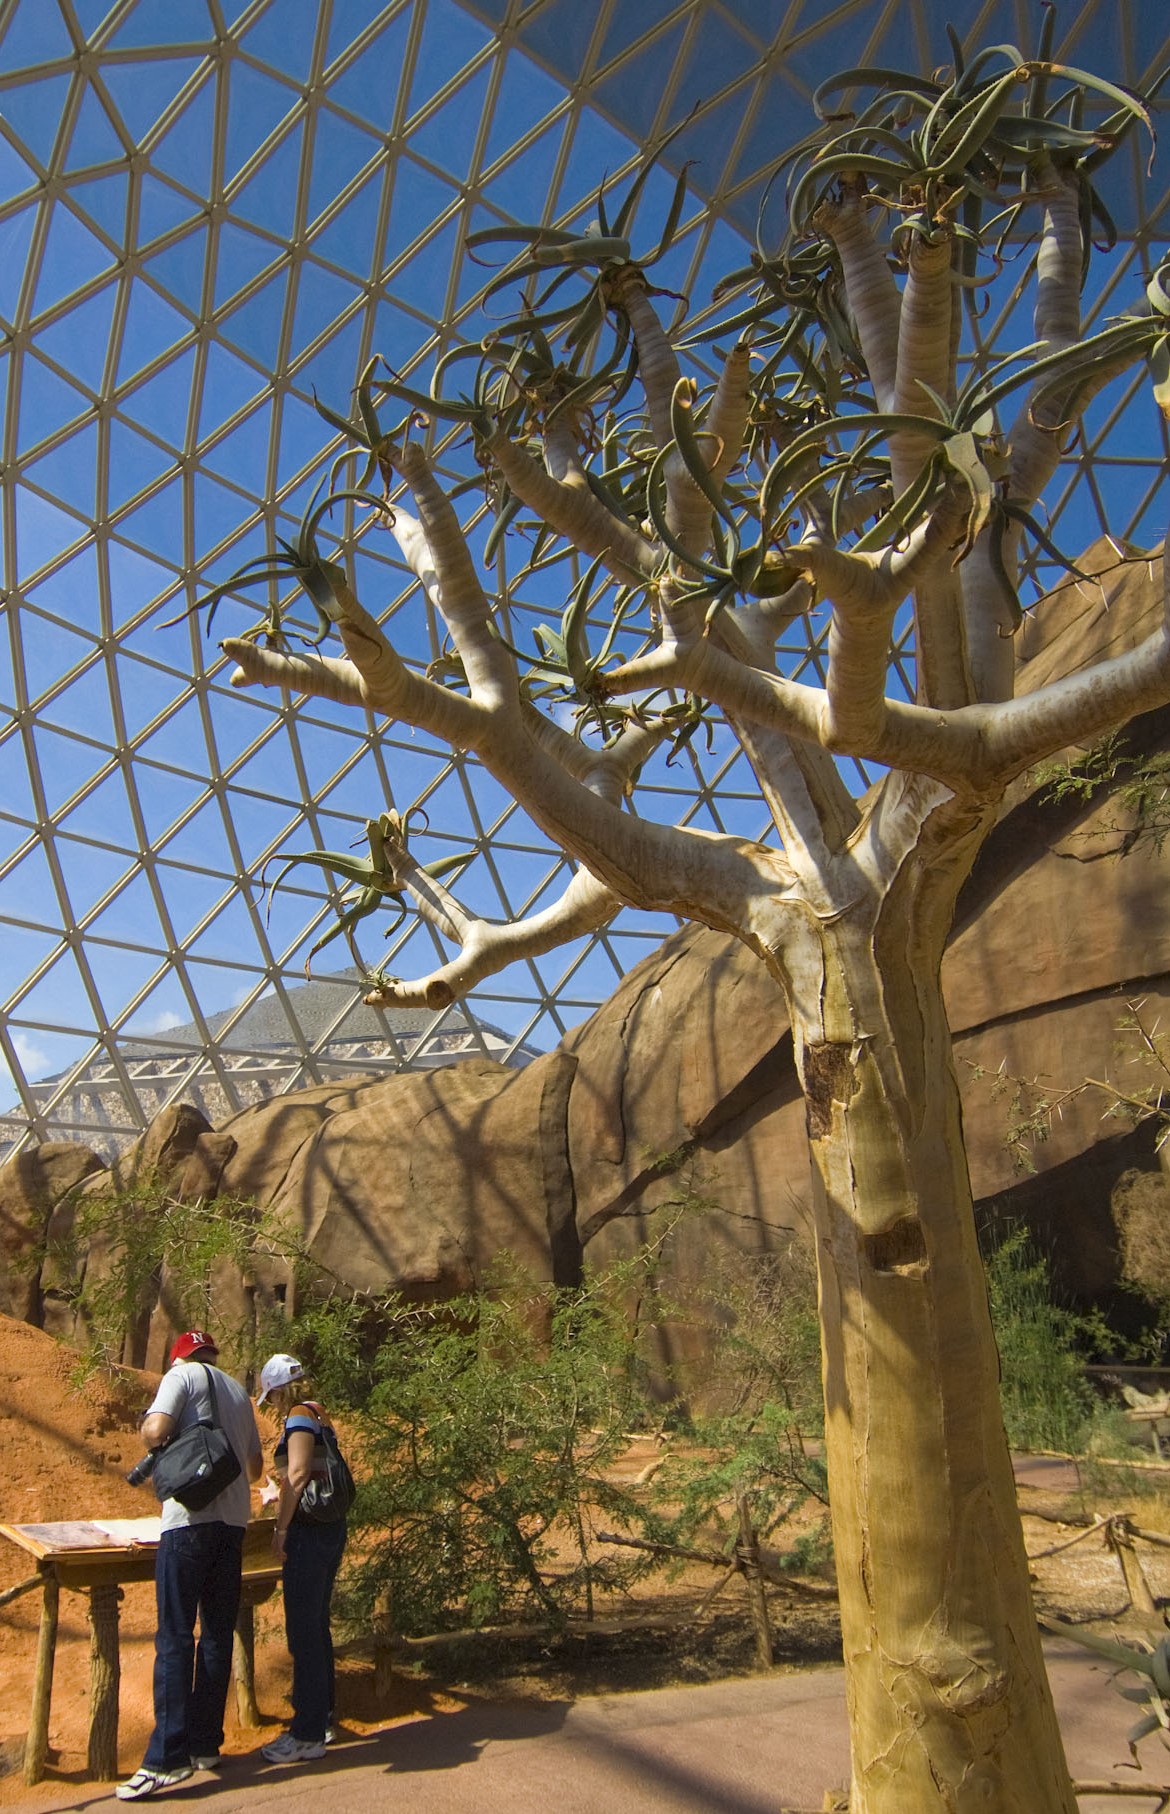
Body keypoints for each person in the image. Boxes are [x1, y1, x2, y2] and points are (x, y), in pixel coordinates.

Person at [117, 1330, 263, 1801]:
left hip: (188, 1522)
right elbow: (256, 1467)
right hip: (233, 1524)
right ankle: (205, 1745)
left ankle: (165, 1759)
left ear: (180, 1355)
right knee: (218, 1634)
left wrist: (153, 1429)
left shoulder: (181, 1377)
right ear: (213, 1353)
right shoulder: (239, 1391)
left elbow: (156, 1431)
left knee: (175, 1636)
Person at [256, 1353, 348, 1765]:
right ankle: (322, 1717)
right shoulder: (319, 1411)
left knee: (304, 1632)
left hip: (309, 1533)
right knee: (317, 1625)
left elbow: (296, 1473)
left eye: (271, 1397)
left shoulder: (296, 1415)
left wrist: (280, 1528)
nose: (272, 1406)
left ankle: (307, 1733)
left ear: (279, 1391)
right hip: (332, 1527)